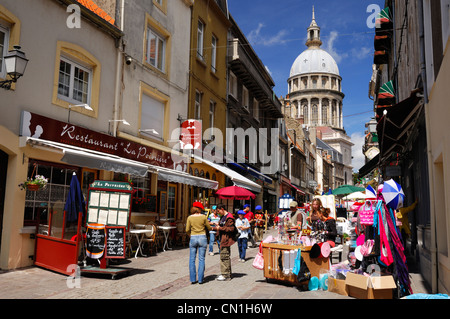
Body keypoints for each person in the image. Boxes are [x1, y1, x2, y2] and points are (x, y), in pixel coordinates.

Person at [186, 201, 211, 284]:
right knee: (201, 259)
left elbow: (187, 229)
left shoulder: (190, 217)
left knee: (192, 259)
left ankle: (193, 279)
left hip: (193, 237)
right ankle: (200, 279)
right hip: (202, 237)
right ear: (199, 209)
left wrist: (190, 235)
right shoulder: (203, 217)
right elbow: (209, 227)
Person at [213, 204, 237, 281]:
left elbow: (231, 228)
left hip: (226, 240)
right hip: (222, 239)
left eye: (218, 211)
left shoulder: (229, 217)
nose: (218, 213)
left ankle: (225, 275)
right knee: (224, 256)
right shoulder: (223, 217)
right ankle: (226, 273)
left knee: (224, 257)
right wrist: (218, 226)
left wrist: (220, 228)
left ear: (222, 209)